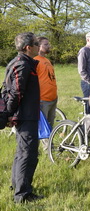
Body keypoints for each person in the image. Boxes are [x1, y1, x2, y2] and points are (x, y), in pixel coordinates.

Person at [3, 32, 43, 203]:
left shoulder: (22, 62)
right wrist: (9, 114)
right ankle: (23, 194)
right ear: (28, 47)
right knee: (28, 154)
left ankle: (17, 185)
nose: (38, 46)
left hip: (26, 114)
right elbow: (16, 92)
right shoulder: (22, 65)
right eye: (36, 43)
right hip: (25, 116)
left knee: (22, 152)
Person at [34, 37, 57, 152]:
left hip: (52, 98)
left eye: (48, 44)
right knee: (43, 127)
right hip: (43, 99)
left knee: (50, 126)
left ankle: (48, 149)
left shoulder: (46, 60)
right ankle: (46, 150)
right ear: (38, 46)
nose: (48, 46)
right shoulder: (35, 60)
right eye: (45, 44)